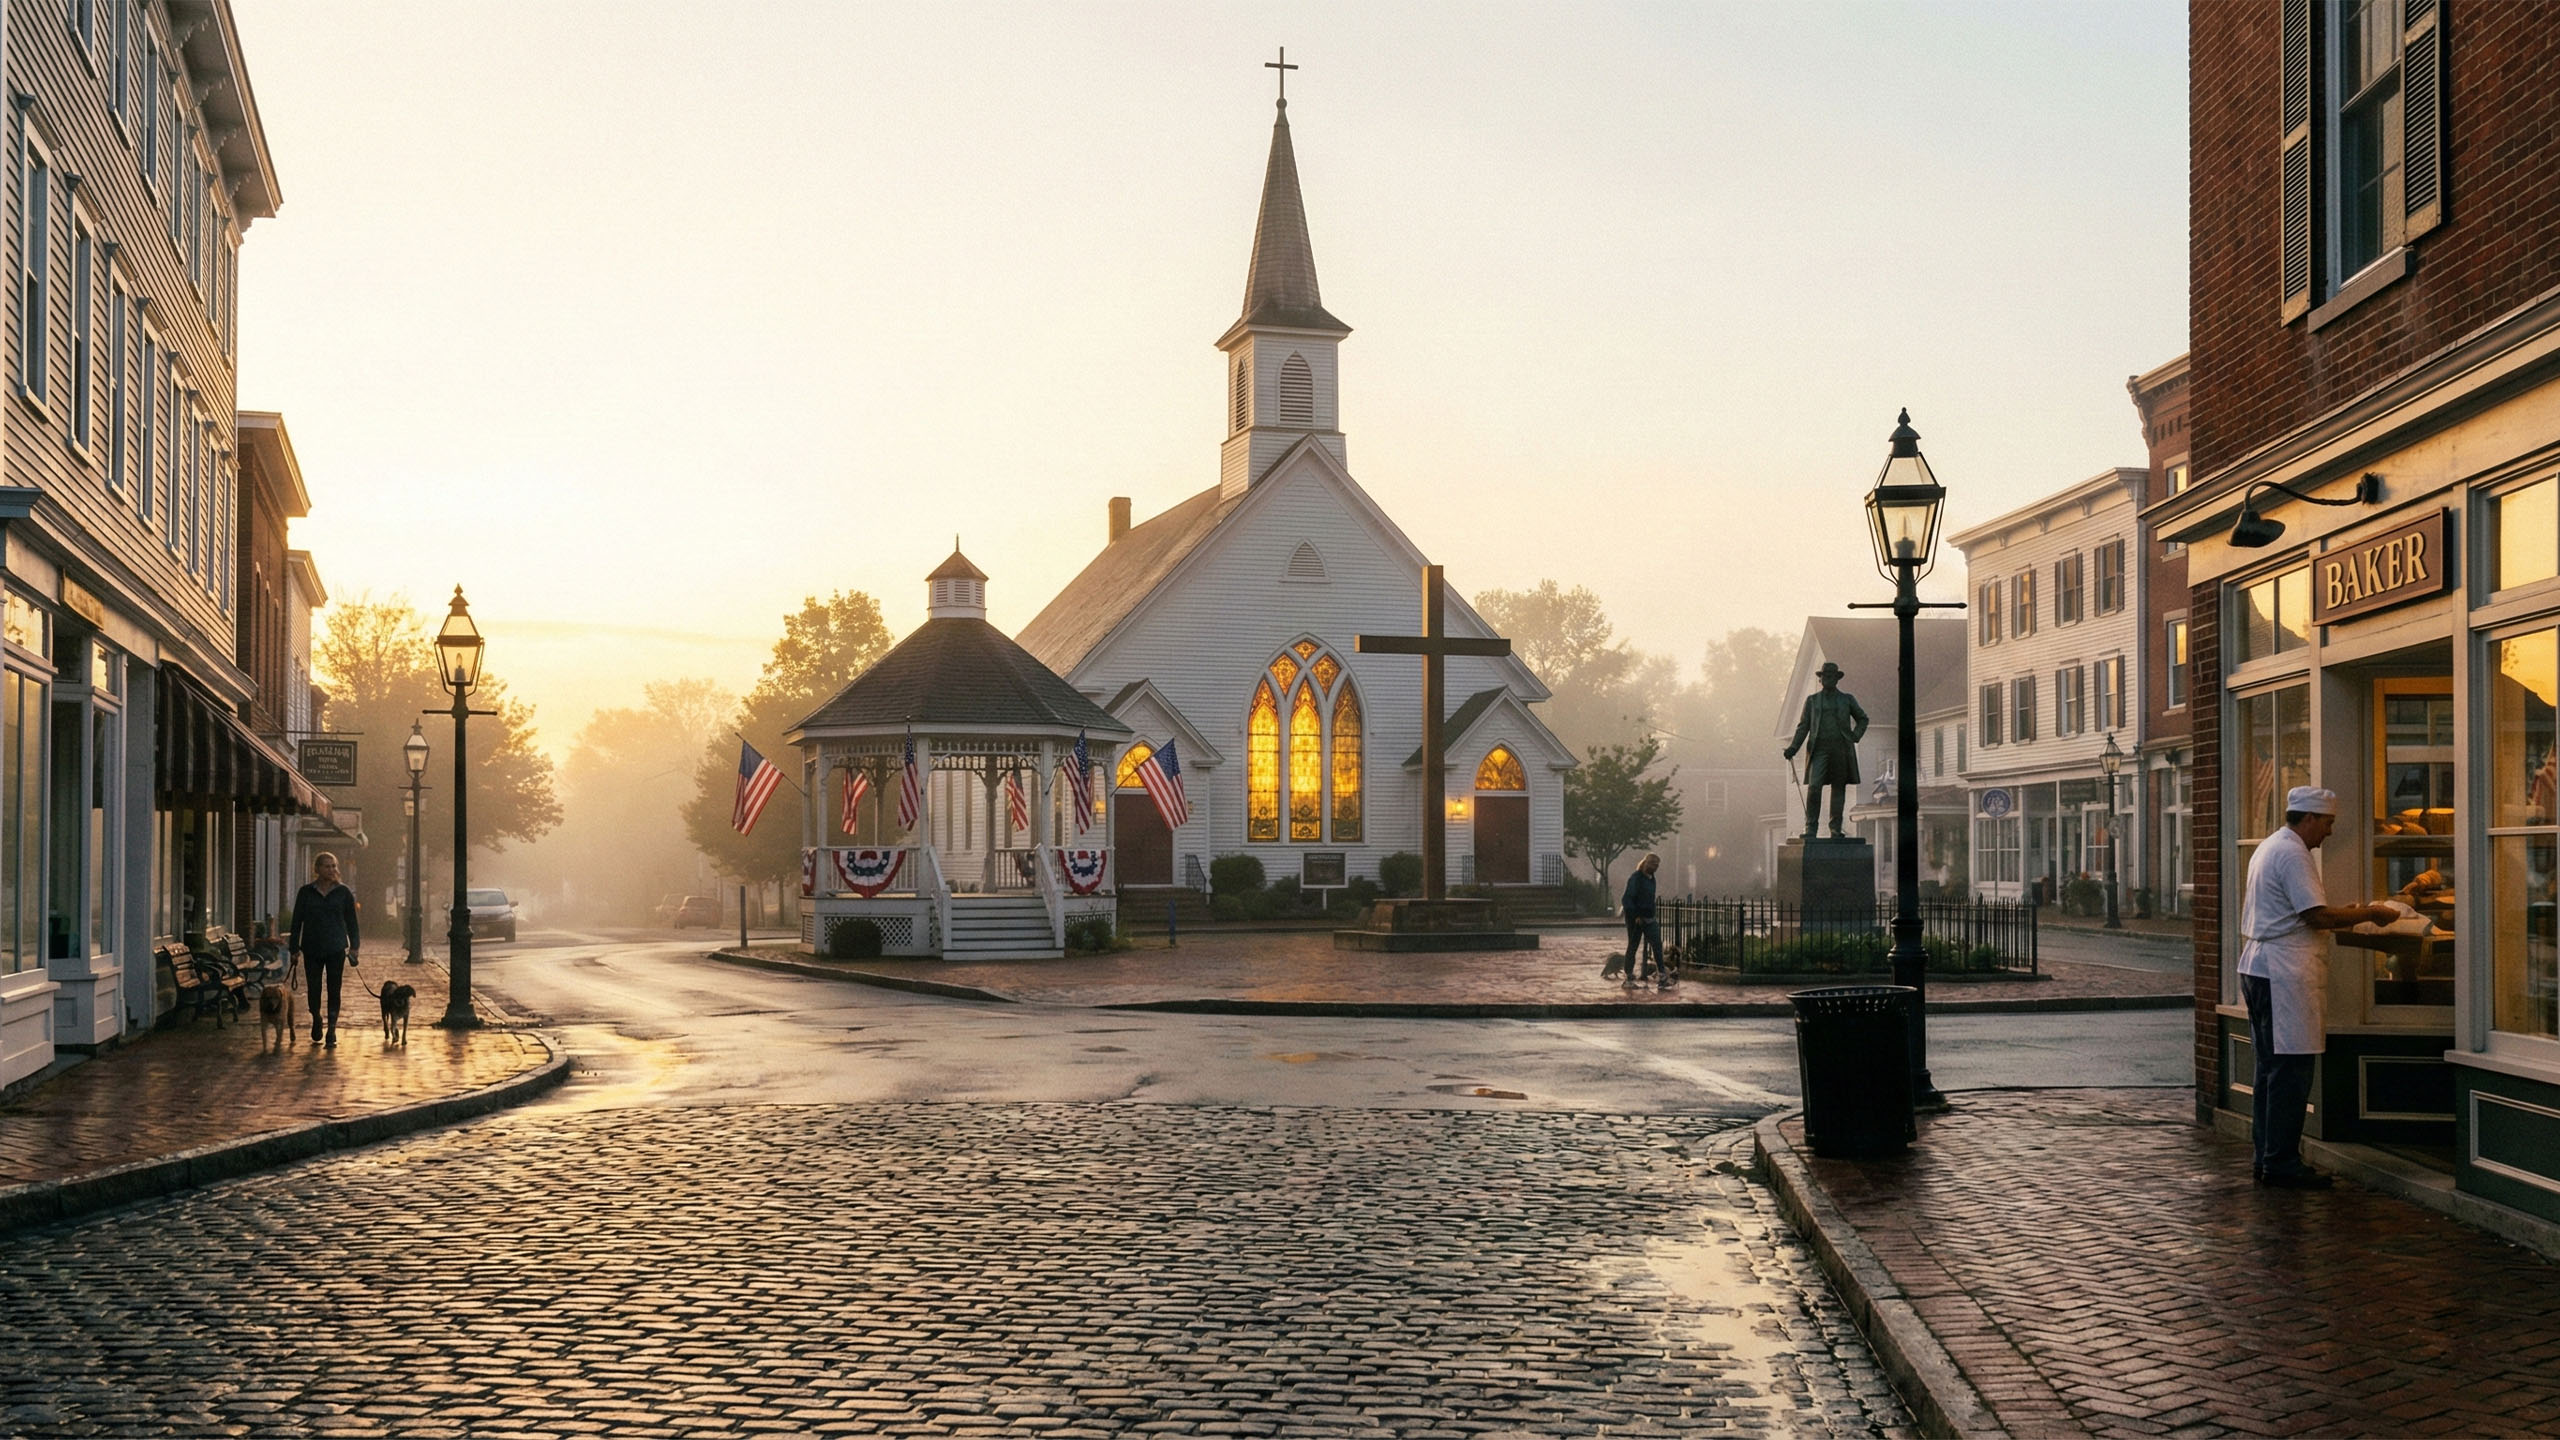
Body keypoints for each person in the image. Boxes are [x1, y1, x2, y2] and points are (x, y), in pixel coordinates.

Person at [2236, 787, 2394, 1189]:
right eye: (2326, 823)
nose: (2329, 832)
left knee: (2270, 1071)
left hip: (2260, 966)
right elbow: (2315, 915)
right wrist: (2369, 913)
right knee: (2290, 1072)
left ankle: (2268, 1156)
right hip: (2282, 972)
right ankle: (2281, 1162)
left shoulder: (2271, 846)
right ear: (2308, 818)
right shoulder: (2292, 853)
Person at [289, 852, 363, 1049]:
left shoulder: (343, 893)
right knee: (314, 988)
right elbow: (297, 922)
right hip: (312, 947)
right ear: (317, 869)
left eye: (333, 866)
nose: (331, 870)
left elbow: (352, 922)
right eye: (326, 866)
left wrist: (354, 947)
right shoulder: (305, 893)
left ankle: (331, 1028)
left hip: (336, 948)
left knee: (333, 988)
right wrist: (294, 948)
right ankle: (316, 1017)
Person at [1619, 854, 1663, 989]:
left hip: (1649, 918)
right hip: (1636, 919)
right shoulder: (1636, 878)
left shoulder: (1652, 879)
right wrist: (1636, 915)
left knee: (1657, 944)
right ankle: (1628, 977)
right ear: (1646, 863)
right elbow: (1627, 899)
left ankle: (1662, 975)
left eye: (1657, 865)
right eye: (1653, 863)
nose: (1655, 867)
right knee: (1633, 945)